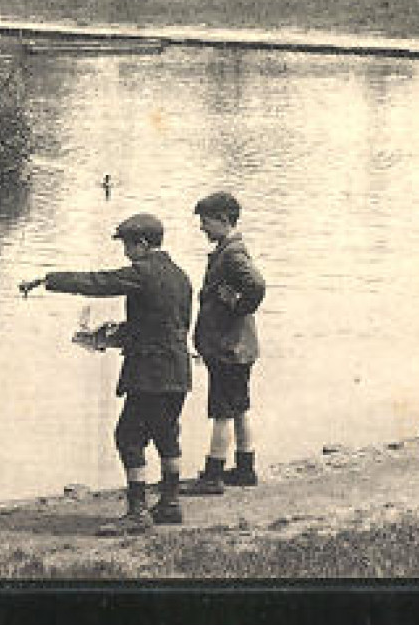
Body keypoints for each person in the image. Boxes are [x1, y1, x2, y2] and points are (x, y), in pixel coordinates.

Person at [19, 213, 193, 535]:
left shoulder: (143, 272)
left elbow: (97, 282)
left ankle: (137, 512)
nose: (125, 253)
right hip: (178, 370)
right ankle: (170, 503)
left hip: (150, 374)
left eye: (127, 246)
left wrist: (48, 279)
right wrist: (116, 335)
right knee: (167, 435)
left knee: (128, 437)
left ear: (141, 243)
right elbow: (170, 326)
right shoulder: (181, 276)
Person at [188, 191, 266, 494]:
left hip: (228, 347)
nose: (202, 228)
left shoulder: (232, 252)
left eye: (205, 222)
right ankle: (245, 468)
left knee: (221, 410)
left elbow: (257, 285)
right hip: (240, 346)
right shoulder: (230, 248)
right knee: (239, 407)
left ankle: (213, 475)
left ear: (223, 220)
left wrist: (239, 306)